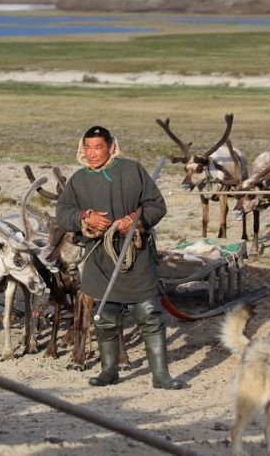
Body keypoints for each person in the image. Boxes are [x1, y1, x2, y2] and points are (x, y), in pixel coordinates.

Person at [55, 125, 186, 390]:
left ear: (111, 147)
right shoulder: (78, 180)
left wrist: (134, 220)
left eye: (98, 147)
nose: (92, 154)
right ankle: (108, 371)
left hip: (135, 255)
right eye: (87, 148)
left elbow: (156, 205)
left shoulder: (132, 170)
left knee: (148, 314)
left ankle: (161, 375)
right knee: (105, 317)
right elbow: (63, 213)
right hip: (98, 257)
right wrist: (84, 217)